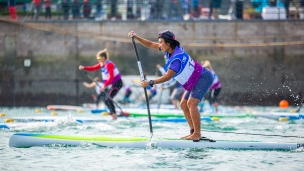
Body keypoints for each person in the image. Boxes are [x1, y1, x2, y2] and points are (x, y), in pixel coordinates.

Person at [128, 30, 213, 141]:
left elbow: (168, 77)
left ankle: (197, 134)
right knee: (183, 104)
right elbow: (150, 44)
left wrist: (151, 82)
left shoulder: (176, 59)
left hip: (203, 78)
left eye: (161, 42)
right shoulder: (170, 48)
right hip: (194, 79)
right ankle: (192, 132)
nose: (159, 45)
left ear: (168, 43)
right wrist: (137, 37)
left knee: (191, 103)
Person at [79, 49, 123, 120]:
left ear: (103, 58)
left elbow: (111, 77)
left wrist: (104, 86)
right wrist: (84, 67)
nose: (98, 60)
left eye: (99, 58)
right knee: (106, 100)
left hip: (118, 83)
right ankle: (113, 115)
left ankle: (114, 117)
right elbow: (93, 68)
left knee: (108, 99)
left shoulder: (109, 64)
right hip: (113, 84)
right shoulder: (102, 64)